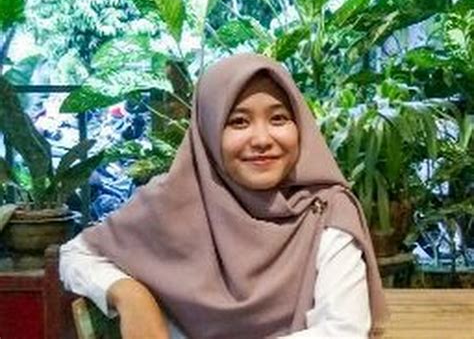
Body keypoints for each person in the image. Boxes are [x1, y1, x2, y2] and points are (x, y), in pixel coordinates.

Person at [60, 53, 388, 339]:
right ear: (208, 131)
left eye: (278, 118)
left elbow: (343, 331)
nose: (262, 139)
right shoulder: (172, 201)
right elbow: (76, 254)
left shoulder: (325, 209)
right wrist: (129, 294)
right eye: (239, 122)